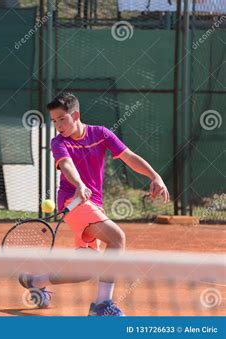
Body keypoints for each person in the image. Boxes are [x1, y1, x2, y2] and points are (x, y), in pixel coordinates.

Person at [19, 92, 170, 316]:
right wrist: (79, 183)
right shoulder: (58, 142)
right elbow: (67, 165)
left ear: (75, 115)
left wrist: (154, 175)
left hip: (94, 204)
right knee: (117, 238)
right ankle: (101, 305)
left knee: (85, 270)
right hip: (73, 200)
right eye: (54, 121)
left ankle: (35, 281)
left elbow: (129, 156)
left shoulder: (100, 134)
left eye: (62, 119)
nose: (58, 125)